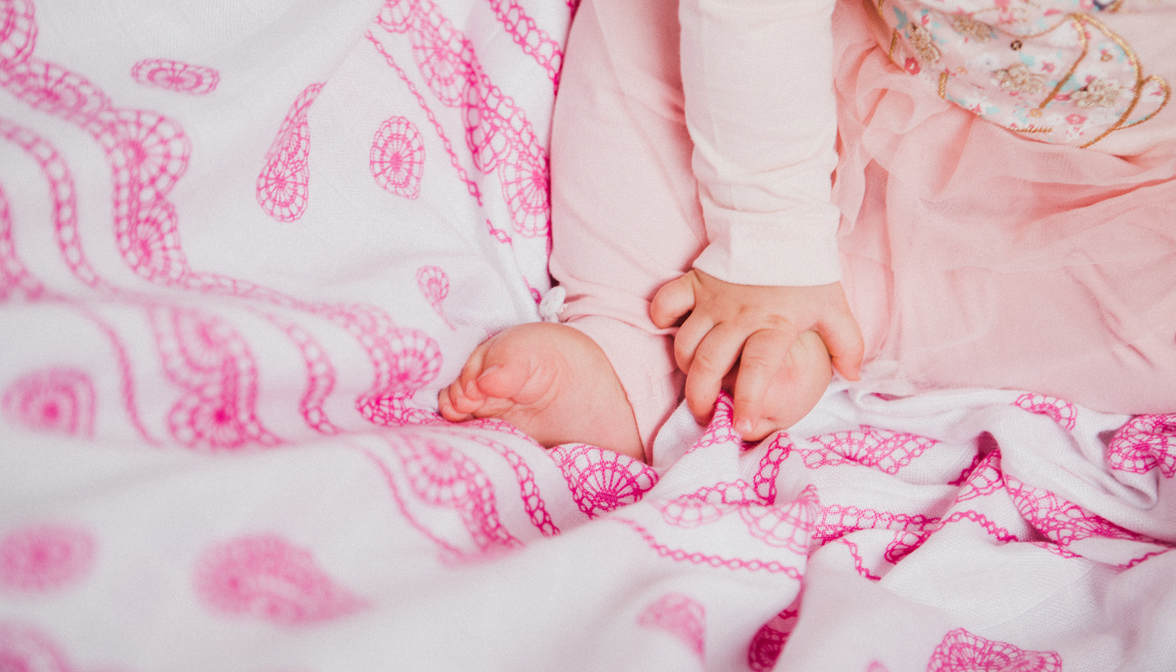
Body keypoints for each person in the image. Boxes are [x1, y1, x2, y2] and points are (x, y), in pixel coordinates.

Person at [439, 0, 1176, 463]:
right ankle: (626, 336)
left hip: (1116, 180)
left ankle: (842, 320)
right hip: (805, 65)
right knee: (644, 17)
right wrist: (767, 237)